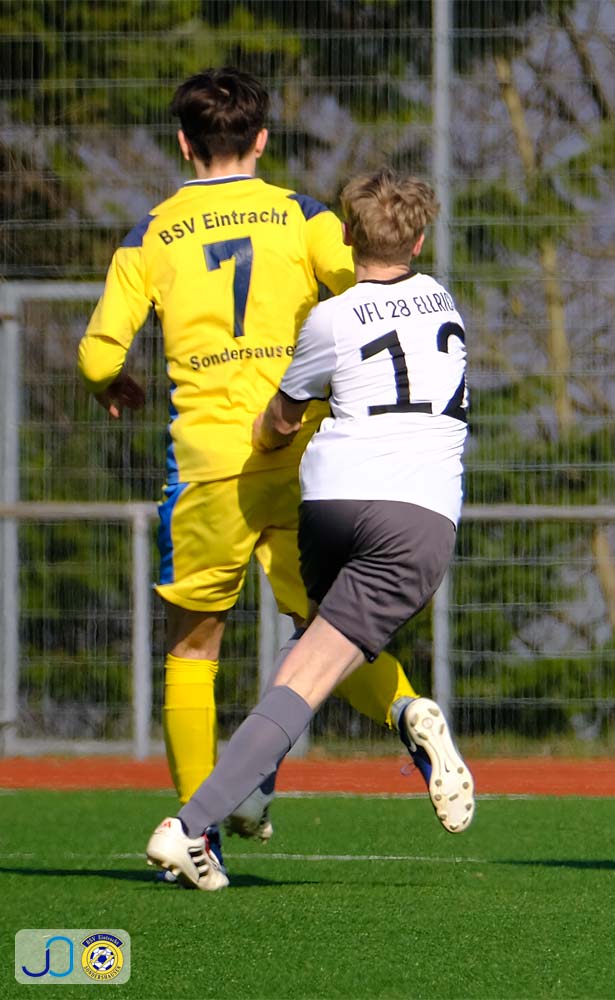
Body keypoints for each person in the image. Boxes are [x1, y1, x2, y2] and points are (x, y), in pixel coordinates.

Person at [77, 68, 429, 865]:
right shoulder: (302, 217)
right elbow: (367, 284)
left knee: (192, 652)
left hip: (210, 468)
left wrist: (110, 381)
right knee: (330, 629)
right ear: (262, 139)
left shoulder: (151, 234)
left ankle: (198, 836)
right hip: (299, 456)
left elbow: (98, 355)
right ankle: (409, 712)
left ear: (183, 144)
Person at [146, 167, 473, 890]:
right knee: (313, 671)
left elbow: (282, 418)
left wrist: (263, 438)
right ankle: (190, 826)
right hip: (414, 518)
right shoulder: (445, 301)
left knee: (310, 646)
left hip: (327, 505)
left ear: (347, 237)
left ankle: (251, 789)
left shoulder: (329, 318)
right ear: (420, 239)